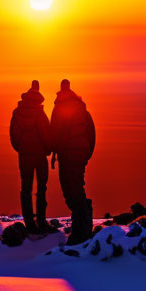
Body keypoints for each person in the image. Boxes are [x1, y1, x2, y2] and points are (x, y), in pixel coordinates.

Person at [50, 78, 96, 244]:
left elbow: (54, 132)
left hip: (67, 155)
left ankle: (81, 231)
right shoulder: (84, 110)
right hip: (80, 155)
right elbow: (92, 134)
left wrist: (53, 150)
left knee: (70, 191)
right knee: (77, 187)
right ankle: (83, 226)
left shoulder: (59, 108)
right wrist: (86, 154)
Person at [8, 80, 53, 234]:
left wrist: (21, 149)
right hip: (39, 155)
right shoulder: (39, 114)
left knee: (25, 188)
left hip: (24, 156)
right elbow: (45, 134)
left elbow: (13, 135)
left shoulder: (17, 112)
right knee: (41, 188)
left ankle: (29, 222)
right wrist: (48, 150)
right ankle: (41, 220)